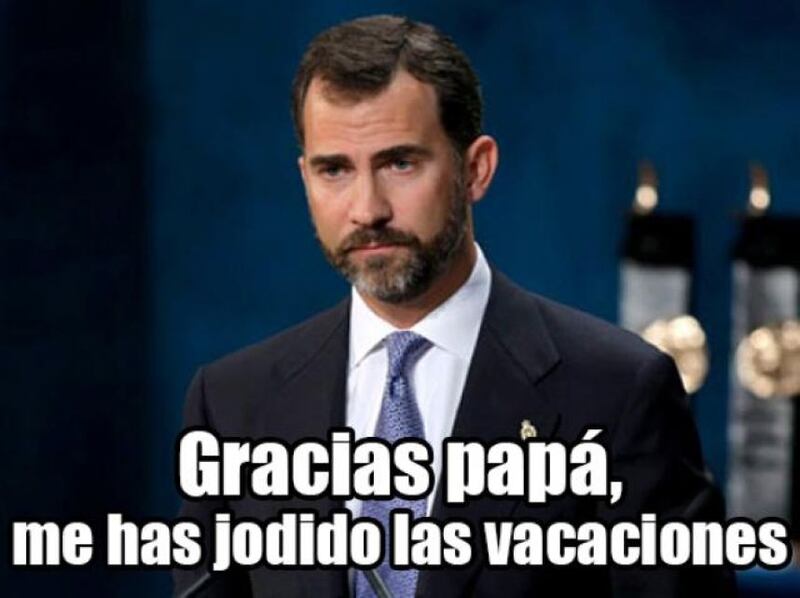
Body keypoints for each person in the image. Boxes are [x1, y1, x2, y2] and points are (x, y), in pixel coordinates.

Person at [174, 14, 733, 598]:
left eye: (400, 163)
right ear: (305, 179)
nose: (367, 209)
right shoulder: (232, 405)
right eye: (334, 169)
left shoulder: (617, 393)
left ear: (475, 169)